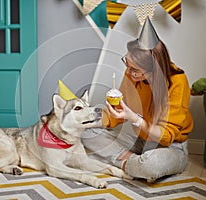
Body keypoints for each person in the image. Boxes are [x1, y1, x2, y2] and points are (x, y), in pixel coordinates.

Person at [82, 16, 193, 182]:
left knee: (152, 165)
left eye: (135, 70)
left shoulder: (177, 81)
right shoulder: (131, 75)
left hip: (171, 147)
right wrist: (86, 119)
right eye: (127, 64)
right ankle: (134, 164)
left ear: (154, 68)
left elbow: (166, 136)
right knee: (85, 131)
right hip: (140, 141)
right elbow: (114, 116)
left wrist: (133, 118)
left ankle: (130, 163)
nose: (129, 73)